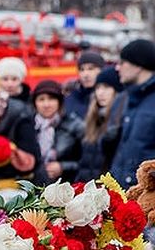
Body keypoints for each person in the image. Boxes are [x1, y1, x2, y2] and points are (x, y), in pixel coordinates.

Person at [109, 39, 155, 189]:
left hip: (146, 194)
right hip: (121, 191)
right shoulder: (125, 98)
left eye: (122, 62)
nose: (117, 67)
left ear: (138, 66)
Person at [77, 67, 127, 182]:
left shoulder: (121, 122)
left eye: (106, 87)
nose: (100, 93)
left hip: (111, 186)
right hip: (88, 186)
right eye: (98, 88)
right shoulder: (92, 120)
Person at [31, 79, 85, 184]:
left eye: (51, 99)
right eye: (41, 99)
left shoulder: (74, 125)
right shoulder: (28, 125)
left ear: (59, 102)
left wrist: (63, 167)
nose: (46, 104)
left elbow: (87, 162)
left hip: (66, 184)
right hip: (33, 184)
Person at [64, 51, 104, 119]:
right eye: (81, 70)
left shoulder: (110, 96)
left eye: (90, 69)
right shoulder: (70, 97)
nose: (85, 74)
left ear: (101, 70)